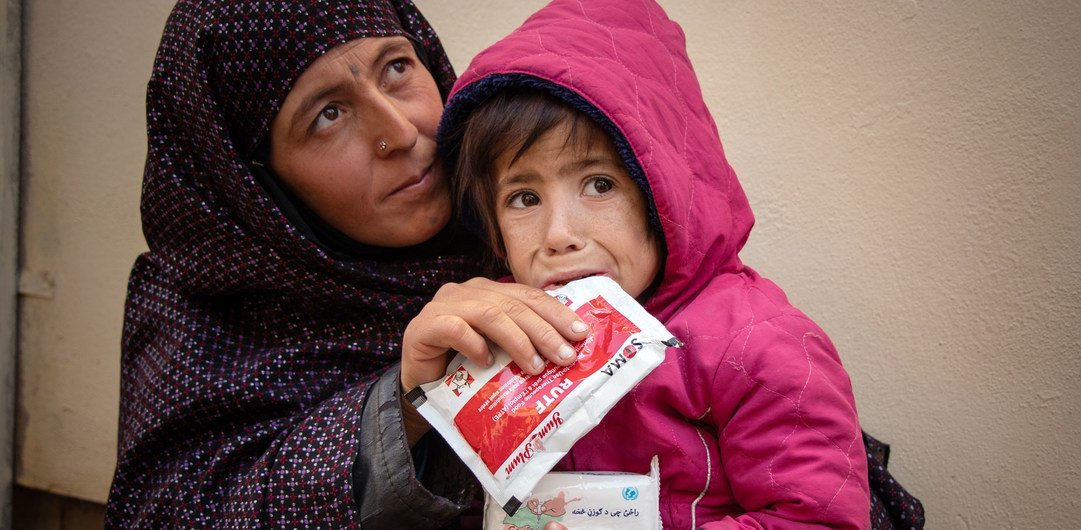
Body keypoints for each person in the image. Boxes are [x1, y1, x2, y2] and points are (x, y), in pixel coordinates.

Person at [106, 1, 586, 528]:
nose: (399, 131)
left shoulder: (537, 225)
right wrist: (405, 403)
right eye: (327, 114)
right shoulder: (204, 318)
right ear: (254, 185)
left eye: (397, 68)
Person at [439, 0, 871, 527]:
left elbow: (818, 519)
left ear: (662, 192)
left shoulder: (758, 344)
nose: (558, 236)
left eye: (599, 185)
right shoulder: (498, 333)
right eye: (524, 198)